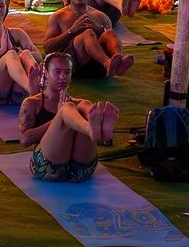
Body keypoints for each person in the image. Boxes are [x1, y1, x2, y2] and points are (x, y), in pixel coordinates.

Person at [18, 51, 118, 183]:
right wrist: (59, 117)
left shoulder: (78, 104)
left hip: (82, 169)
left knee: (85, 105)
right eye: (57, 72)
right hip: (48, 167)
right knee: (67, 108)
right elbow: (24, 140)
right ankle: (92, 130)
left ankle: (99, 130)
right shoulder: (32, 103)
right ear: (46, 73)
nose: (62, 77)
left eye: (67, 72)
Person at [43, 0, 134, 79]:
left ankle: (118, 62)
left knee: (110, 33)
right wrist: (71, 31)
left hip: (97, 66)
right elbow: (47, 48)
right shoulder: (58, 16)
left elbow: (109, 42)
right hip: (74, 65)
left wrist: (99, 29)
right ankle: (108, 63)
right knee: (88, 33)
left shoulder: (101, 16)